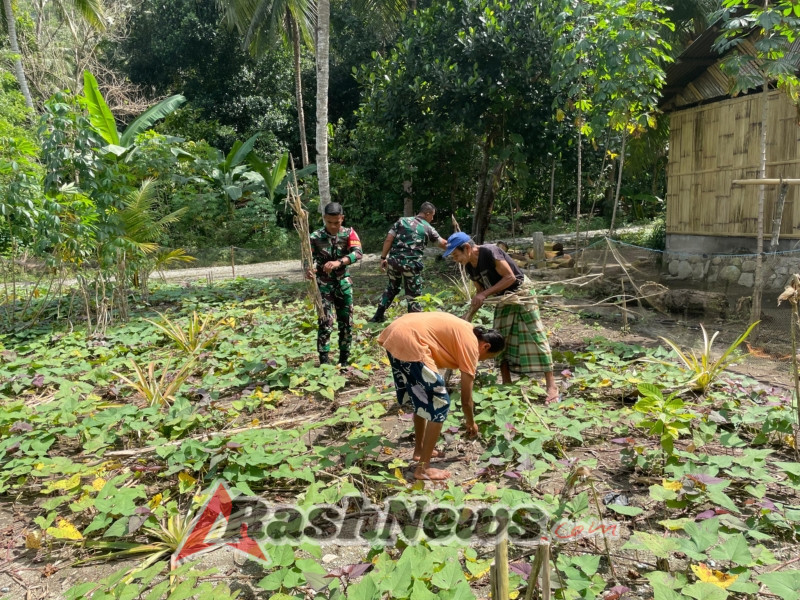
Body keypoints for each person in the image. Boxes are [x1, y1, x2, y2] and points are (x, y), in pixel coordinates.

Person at [377, 311, 504, 481]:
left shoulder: (466, 330)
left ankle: (420, 450)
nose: (482, 361)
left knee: (421, 398)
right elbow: (466, 399)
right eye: (488, 357)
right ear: (486, 346)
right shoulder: (472, 346)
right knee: (440, 403)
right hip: (410, 340)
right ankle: (422, 469)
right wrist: (471, 422)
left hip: (397, 333)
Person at [443, 232, 559, 402]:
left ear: (467, 248)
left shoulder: (490, 252)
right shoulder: (469, 266)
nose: (455, 259)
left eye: (456, 254)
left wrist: (485, 295)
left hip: (521, 293)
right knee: (500, 337)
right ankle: (506, 383)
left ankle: (551, 385)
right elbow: (480, 292)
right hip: (502, 298)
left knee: (535, 334)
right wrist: (468, 316)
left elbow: (510, 277)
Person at [369, 202, 448, 323]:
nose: (432, 218)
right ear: (427, 214)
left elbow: (389, 239)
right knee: (413, 294)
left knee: (392, 287)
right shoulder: (428, 228)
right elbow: (442, 243)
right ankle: (413, 322)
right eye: (432, 216)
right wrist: (456, 246)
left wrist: (383, 257)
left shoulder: (401, 221)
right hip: (411, 265)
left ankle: (377, 316)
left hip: (394, 262)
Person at [306, 202, 363, 366]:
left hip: (343, 284)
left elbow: (358, 253)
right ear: (324, 218)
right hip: (323, 285)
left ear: (342, 218)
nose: (333, 226)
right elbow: (307, 259)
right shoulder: (315, 237)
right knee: (325, 323)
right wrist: (308, 270)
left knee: (346, 323)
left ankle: (344, 361)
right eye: (329, 222)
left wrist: (339, 262)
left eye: (336, 222)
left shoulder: (349, 233)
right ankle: (324, 361)